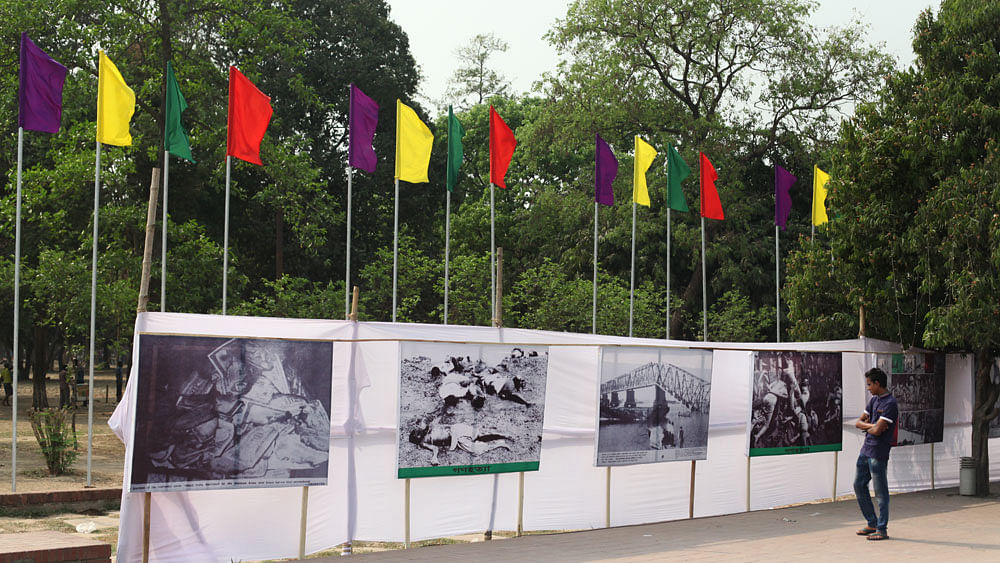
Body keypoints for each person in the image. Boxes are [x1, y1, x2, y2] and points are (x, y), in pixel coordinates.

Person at [853, 367, 898, 541]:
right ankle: (872, 522)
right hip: (866, 450)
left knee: (881, 492)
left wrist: (871, 426)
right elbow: (859, 423)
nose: (868, 388)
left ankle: (882, 529)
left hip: (878, 453)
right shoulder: (874, 401)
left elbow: (878, 430)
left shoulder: (890, 404)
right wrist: (872, 426)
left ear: (878, 383)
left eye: (870, 384)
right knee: (859, 485)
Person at [408, 418, 512, 466]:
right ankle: (500, 443)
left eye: (417, 431)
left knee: (479, 435)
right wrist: (434, 457)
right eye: (416, 435)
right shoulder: (423, 442)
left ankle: (503, 435)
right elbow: (435, 448)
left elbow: (444, 425)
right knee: (476, 449)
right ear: (416, 439)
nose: (418, 432)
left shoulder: (430, 427)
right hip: (456, 439)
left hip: (456, 430)